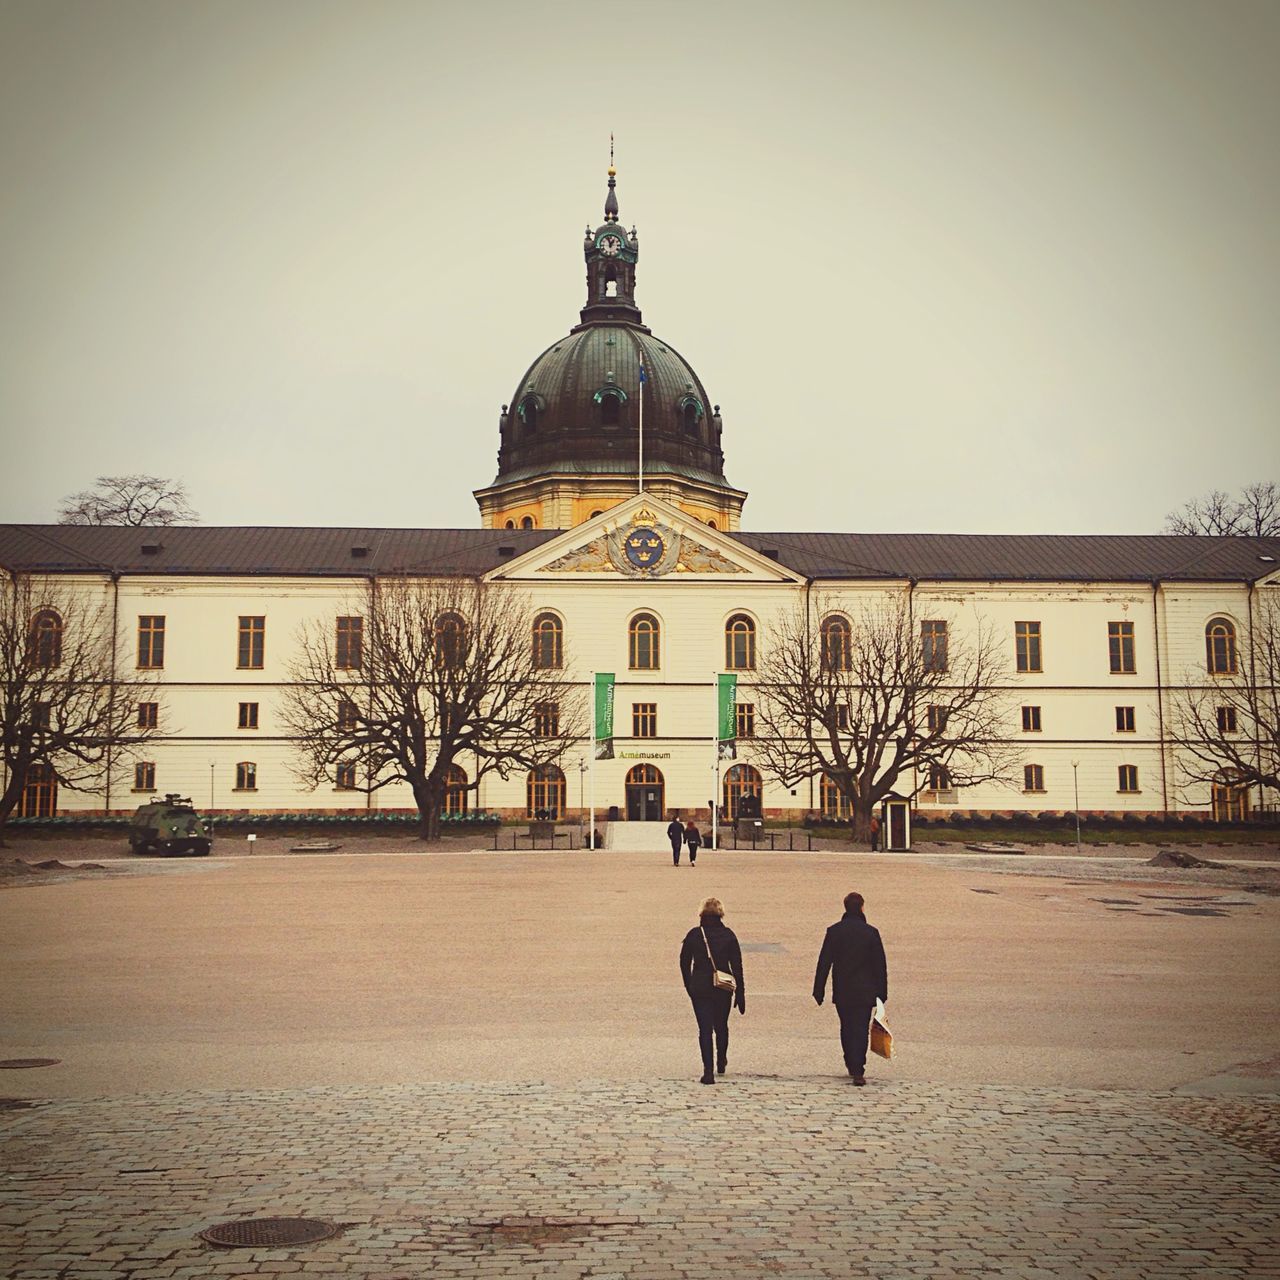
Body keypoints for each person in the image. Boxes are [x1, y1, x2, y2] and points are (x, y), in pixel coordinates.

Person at [812, 891, 888, 1086]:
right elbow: (880, 964)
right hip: (865, 990)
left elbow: (824, 962)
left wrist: (818, 989)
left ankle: (850, 1060)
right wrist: (882, 992)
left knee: (846, 1027)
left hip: (843, 989)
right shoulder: (871, 932)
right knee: (861, 1028)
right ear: (862, 907)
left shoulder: (835, 931)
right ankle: (858, 1067)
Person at [679, 897, 746, 1084]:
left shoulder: (694, 935)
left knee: (705, 1029)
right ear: (721, 914)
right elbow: (737, 965)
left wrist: (688, 984)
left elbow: (684, 962)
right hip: (723, 987)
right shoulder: (729, 935)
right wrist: (740, 993)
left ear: (701, 914)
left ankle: (707, 1070)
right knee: (721, 1026)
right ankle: (721, 1060)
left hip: (699, 987)